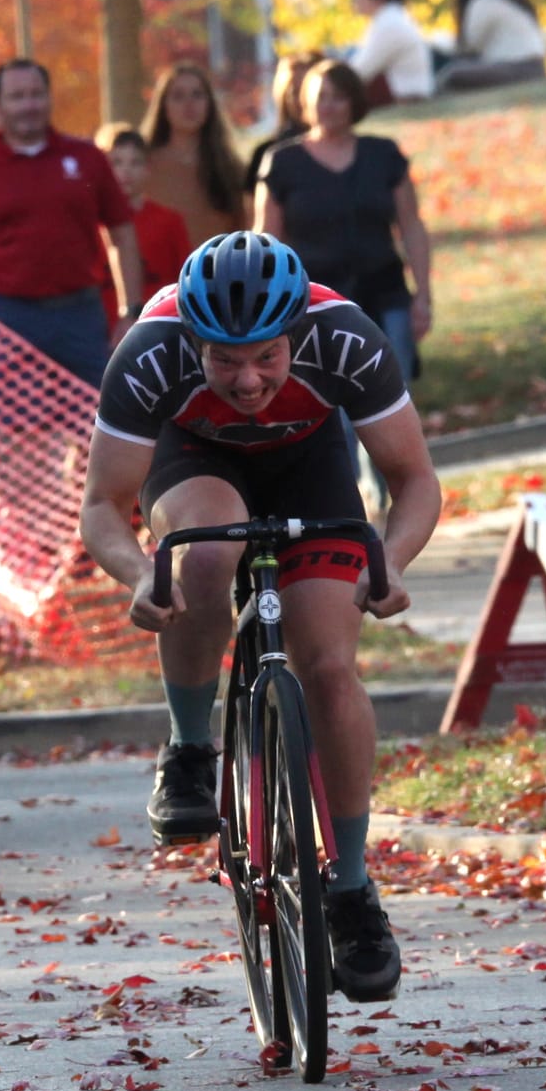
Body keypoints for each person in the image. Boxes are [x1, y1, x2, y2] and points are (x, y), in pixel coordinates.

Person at [81, 232, 440, 1006]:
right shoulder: (149, 353)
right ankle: (189, 746)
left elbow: (414, 479)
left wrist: (393, 560)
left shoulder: (346, 338)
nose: (247, 380)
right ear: (193, 343)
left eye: (267, 358)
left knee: (330, 668)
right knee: (206, 557)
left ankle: (351, 888)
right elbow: (102, 505)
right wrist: (140, 574)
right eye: (223, 360)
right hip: (195, 461)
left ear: (296, 336)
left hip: (310, 464)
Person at [256, 59, 433, 507]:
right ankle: (344, 499)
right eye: (321, 97)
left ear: (354, 101)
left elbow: (411, 226)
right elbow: (266, 244)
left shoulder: (383, 155)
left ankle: (398, 494)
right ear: (304, 103)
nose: (329, 106)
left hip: (384, 293)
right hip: (313, 306)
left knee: (390, 394)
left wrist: (423, 296)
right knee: (328, 402)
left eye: (338, 96)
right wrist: (268, 310)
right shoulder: (283, 163)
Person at [0, 60, 142, 384]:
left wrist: (130, 311)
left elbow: (123, 235)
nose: (28, 105)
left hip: (80, 315)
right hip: (8, 321)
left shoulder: (87, 158)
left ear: (49, 97)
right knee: (10, 414)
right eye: (17, 97)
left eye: (36, 94)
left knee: (96, 409)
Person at [139, 61, 249, 251]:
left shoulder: (232, 169)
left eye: (197, 95)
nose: (189, 104)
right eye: (178, 96)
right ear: (163, 105)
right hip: (160, 267)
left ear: (210, 103)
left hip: (214, 265)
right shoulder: (142, 166)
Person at [95, 126, 190, 334]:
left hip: (157, 327)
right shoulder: (93, 224)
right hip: (100, 330)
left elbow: (184, 282)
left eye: (135, 162)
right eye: (116, 162)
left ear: (148, 168)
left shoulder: (169, 221)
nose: (126, 171)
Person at [437, 0, 546, 93]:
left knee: (451, 75)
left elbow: (469, 46)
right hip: (536, 67)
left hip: (517, 69)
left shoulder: (482, 2)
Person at [347, 0, 433, 109]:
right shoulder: (392, 17)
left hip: (406, 93)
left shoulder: (388, 23)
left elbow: (361, 70)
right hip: (410, 89)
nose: (356, 3)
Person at [243, 50, 323, 191]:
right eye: (295, 92)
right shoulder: (267, 154)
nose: (303, 100)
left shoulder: (358, 154)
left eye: (311, 91)